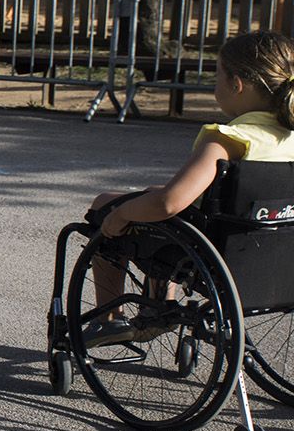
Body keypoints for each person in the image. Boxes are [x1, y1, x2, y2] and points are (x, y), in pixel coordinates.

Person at [82, 31, 294, 347]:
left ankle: (111, 319)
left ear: (236, 85)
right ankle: (155, 303)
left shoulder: (227, 139)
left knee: (107, 207)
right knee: (154, 198)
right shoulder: (287, 138)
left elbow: (170, 202)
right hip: (273, 256)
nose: (215, 85)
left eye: (218, 76)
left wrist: (122, 214)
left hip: (210, 254)